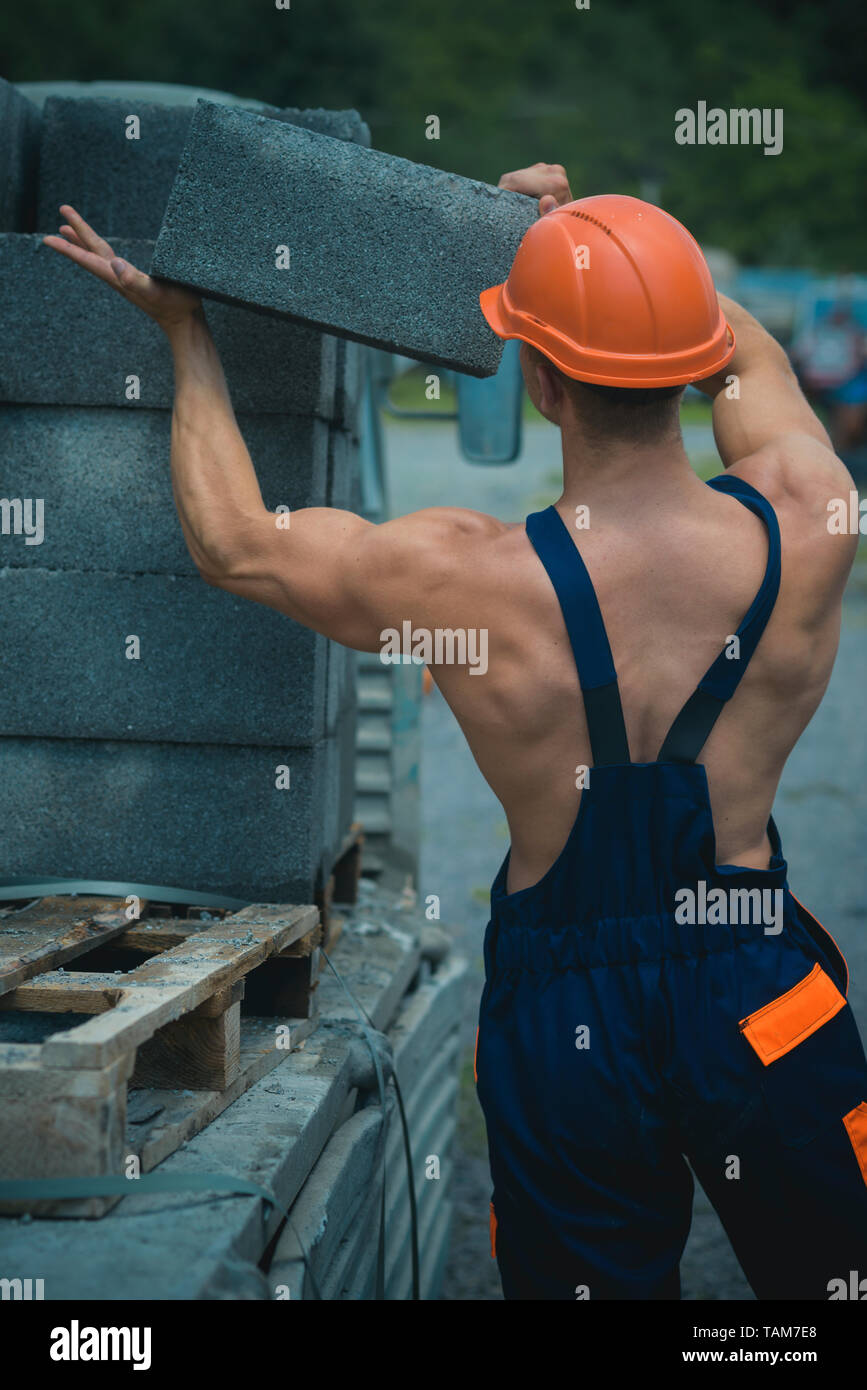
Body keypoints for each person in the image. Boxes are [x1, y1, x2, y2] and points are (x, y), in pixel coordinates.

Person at [44, 161, 867, 1300]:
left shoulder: (464, 580)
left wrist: (186, 330)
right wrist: (592, 247)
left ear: (539, 381)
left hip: (568, 1021)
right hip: (759, 991)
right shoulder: (811, 517)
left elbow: (232, 541)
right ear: (684, 363)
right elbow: (744, 356)